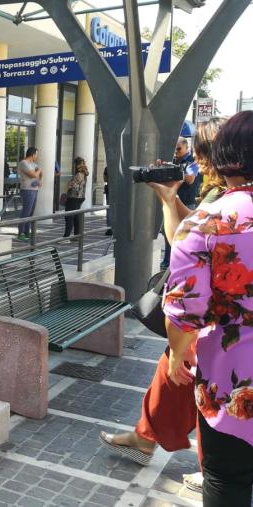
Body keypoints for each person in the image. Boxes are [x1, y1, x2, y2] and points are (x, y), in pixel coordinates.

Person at [99, 118, 227, 491]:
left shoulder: (229, 199)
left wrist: (178, 345)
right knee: (180, 378)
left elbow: (185, 247)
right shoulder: (221, 195)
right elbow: (190, 232)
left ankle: (215, 467)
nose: (195, 161)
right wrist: (170, 199)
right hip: (220, 317)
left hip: (219, 320)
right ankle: (148, 438)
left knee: (199, 381)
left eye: (199, 152)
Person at [159, 110, 253, 506]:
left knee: (227, 482)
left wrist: (179, 353)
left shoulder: (205, 223)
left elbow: (183, 312)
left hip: (232, 381)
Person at [161, 137, 200, 269]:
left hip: (187, 203)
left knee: (183, 236)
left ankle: (178, 263)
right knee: (169, 235)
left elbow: (190, 179)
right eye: (174, 149)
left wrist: (173, 171)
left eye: (179, 149)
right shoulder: (173, 161)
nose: (176, 152)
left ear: (186, 147)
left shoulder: (192, 161)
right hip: (173, 201)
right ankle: (168, 262)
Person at [16, 147, 41, 241]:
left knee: (30, 213)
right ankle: (20, 233)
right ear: (33, 154)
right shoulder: (24, 163)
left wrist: (39, 180)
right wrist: (38, 172)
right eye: (36, 155)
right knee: (26, 212)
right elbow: (34, 174)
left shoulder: (33, 164)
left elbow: (39, 174)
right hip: (27, 190)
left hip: (34, 189)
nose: (37, 157)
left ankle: (27, 232)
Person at [62, 157, 89, 238]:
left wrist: (68, 185)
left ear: (76, 165)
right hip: (80, 198)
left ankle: (66, 237)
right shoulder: (84, 174)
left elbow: (71, 186)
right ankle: (77, 235)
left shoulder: (78, 175)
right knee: (76, 216)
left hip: (73, 198)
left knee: (69, 217)